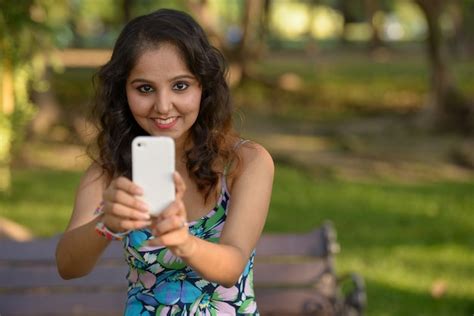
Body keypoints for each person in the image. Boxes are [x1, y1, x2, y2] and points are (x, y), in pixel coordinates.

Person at [55, 8, 274, 316]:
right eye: (145, 88)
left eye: (180, 86)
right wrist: (107, 225)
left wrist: (183, 242)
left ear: (204, 86)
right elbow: (68, 266)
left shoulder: (245, 163)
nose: (162, 105)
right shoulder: (109, 172)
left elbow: (231, 266)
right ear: (123, 91)